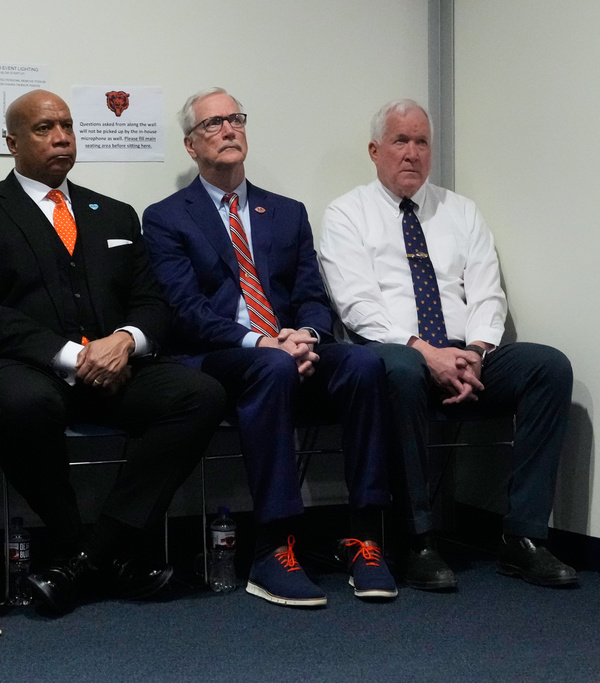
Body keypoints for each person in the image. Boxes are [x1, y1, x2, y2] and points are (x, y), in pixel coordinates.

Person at [0, 89, 225, 615]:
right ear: (11, 142)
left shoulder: (113, 214)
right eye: (45, 128)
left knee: (197, 394)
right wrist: (73, 356)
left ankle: (93, 555)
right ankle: (78, 546)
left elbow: (152, 302)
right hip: (29, 372)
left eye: (67, 125)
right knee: (23, 405)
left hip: (116, 368)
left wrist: (126, 340)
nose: (62, 137)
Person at [142, 88, 397, 606]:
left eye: (235, 119)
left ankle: (365, 537)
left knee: (366, 364)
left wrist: (307, 337)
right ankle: (271, 547)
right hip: (219, 355)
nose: (229, 129)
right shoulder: (167, 216)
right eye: (213, 124)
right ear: (191, 146)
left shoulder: (286, 212)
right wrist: (263, 342)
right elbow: (186, 310)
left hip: (288, 346)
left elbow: (311, 295)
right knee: (271, 370)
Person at [319, 98, 577, 590]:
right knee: (398, 368)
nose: (412, 152)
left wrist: (476, 353)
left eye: (421, 142)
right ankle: (416, 539)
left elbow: (486, 292)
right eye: (401, 141)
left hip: (467, 352)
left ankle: (522, 538)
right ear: (375, 150)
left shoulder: (460, 211)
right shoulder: (346, 214)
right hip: (395, 352)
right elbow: (358, 307)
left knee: (550, 366)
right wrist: (426, 352)